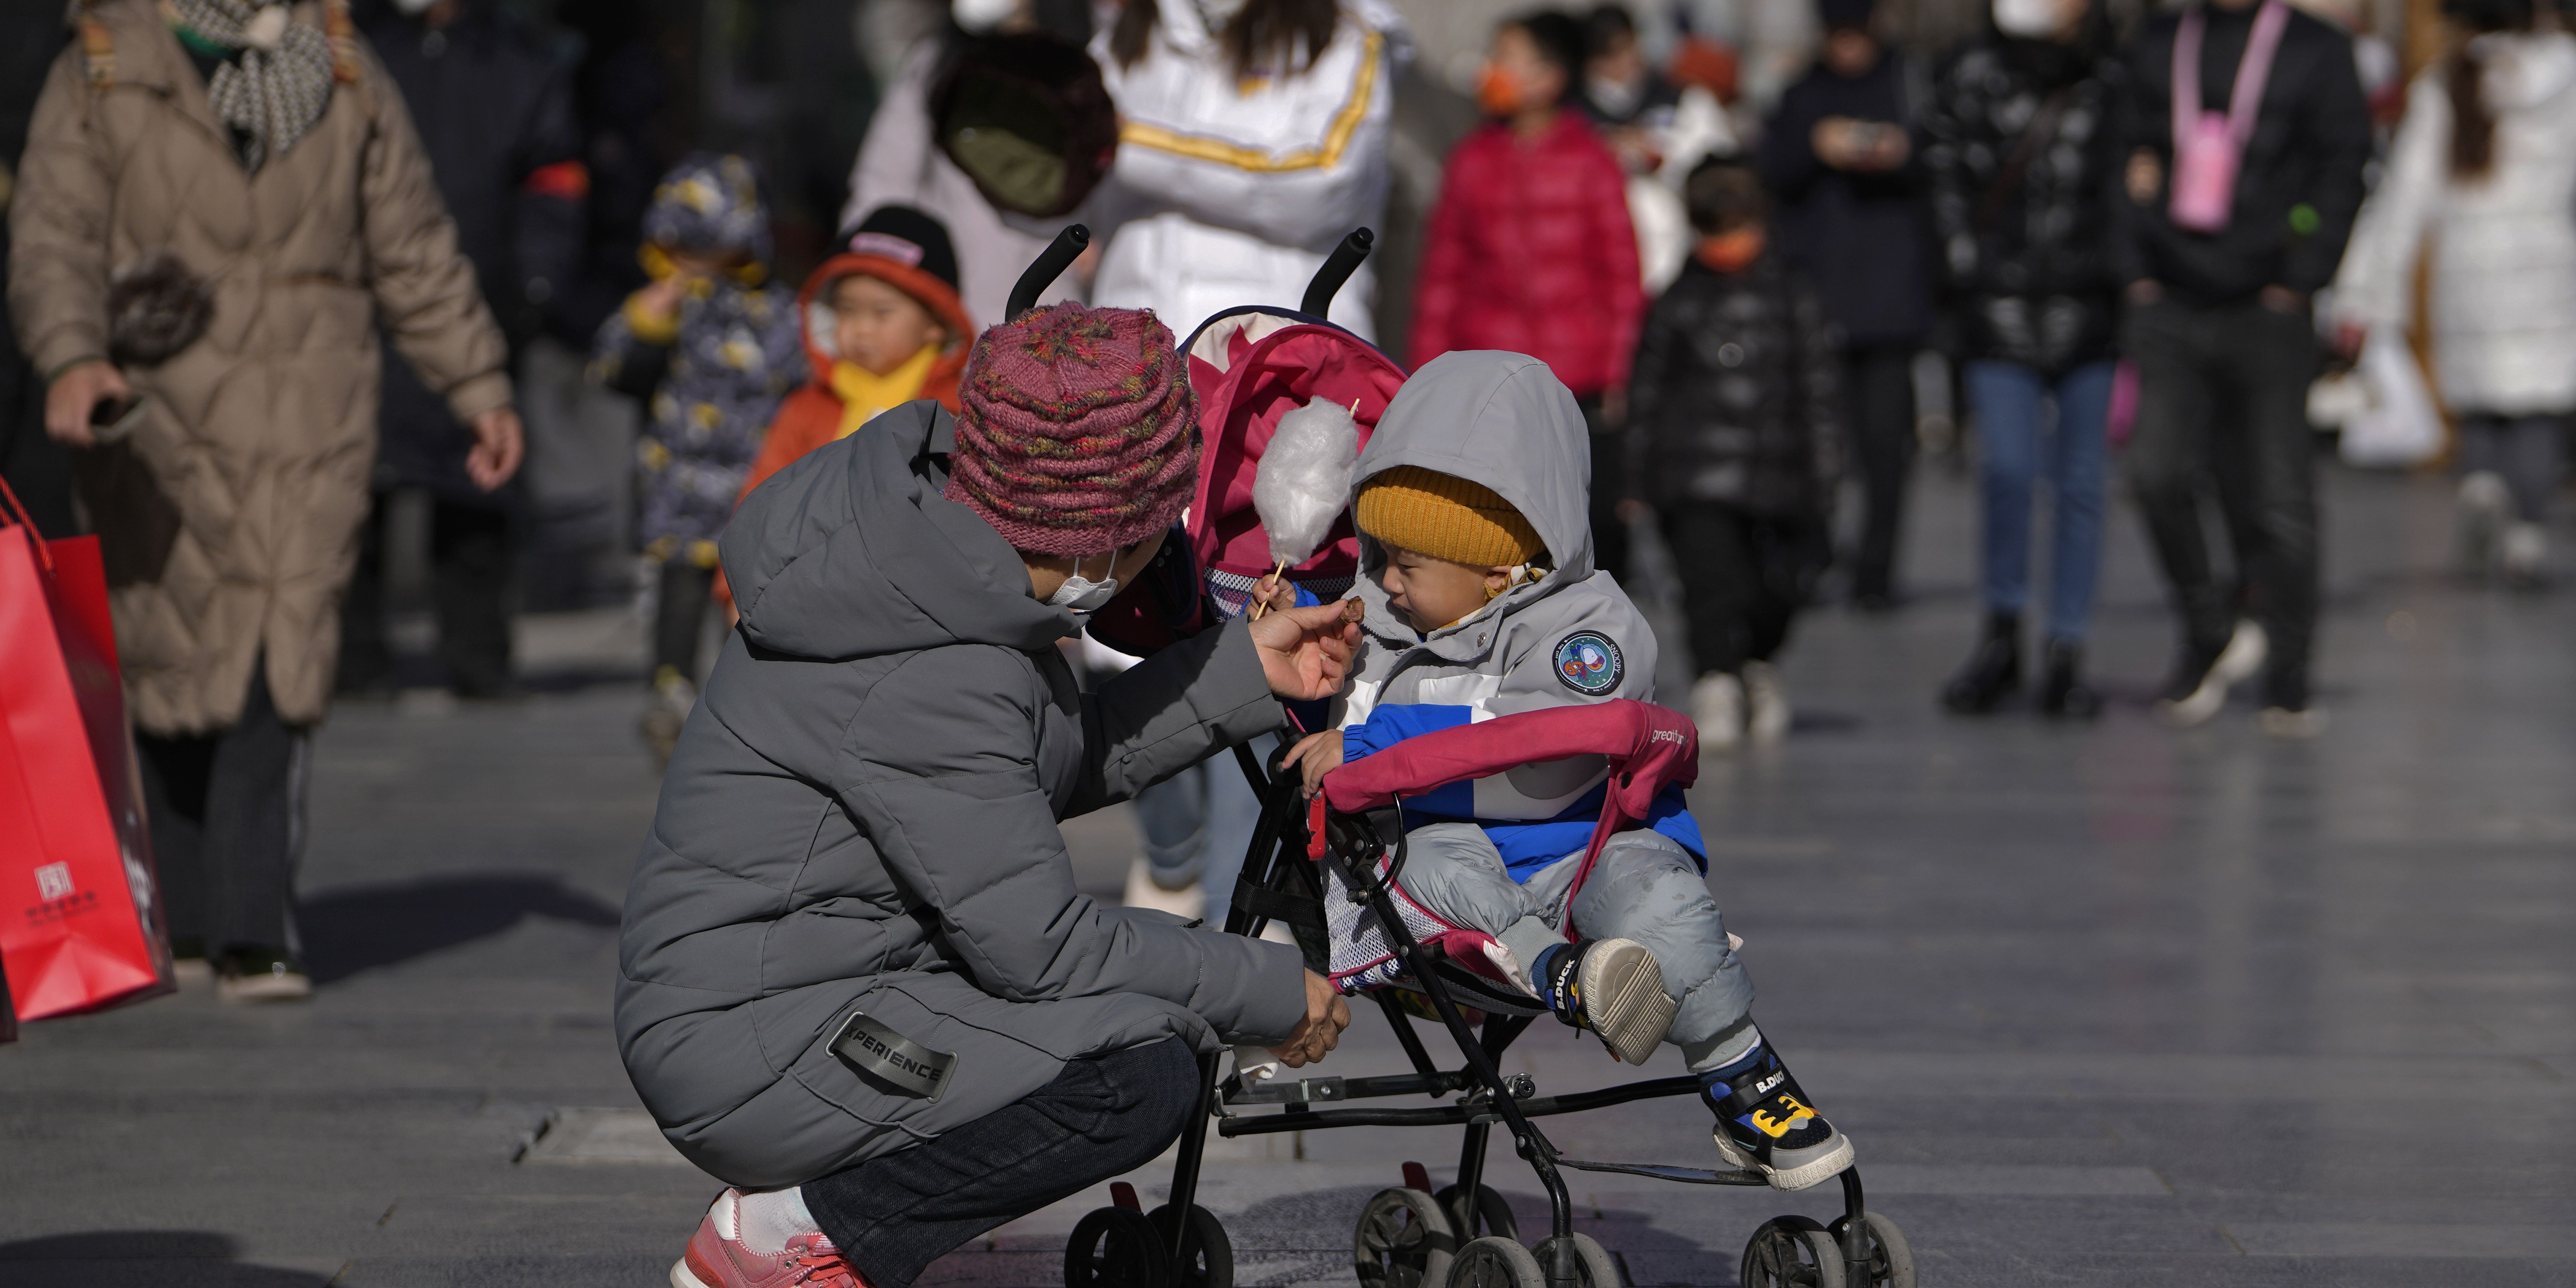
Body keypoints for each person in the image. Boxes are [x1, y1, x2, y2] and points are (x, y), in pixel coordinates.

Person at [616, 301, 1358, 1288]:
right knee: (1136, 1074)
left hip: (821, 981)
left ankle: (811, 1218)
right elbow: (1042, 946)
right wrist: (1265, 987)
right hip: (756, 1037)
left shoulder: (941, 559)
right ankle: (791, 1234)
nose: (1156, 565)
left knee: (1148, 1032)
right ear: (1096, 537)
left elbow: (1029, 766)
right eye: (1150, 540)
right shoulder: (937, 659)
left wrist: (1242, 670)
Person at [12, 0, 524, 1000]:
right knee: (168, 657)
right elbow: (52, 236)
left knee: (277, 653)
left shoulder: (337, 61)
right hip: (158, 412)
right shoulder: (105, 60)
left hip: (311, 409)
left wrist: (478, 384)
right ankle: (190, 913)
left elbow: (412, 242)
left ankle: (255, 924)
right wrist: (72, 357)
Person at [1277, 350, 1854, 1194]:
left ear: (1499, 567)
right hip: (1454, 861)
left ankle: (1746, 1077)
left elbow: (1548, 750)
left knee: (1663, 898)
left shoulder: (1591, 631)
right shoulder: (1382, 626)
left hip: (1587, 842)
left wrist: (1378, 746)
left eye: (1410, 565)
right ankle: (1570, 977)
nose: (1388, 581)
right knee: (1439, 867)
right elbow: (1331, 740)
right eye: (1382, 554)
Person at [1086, 0, 1406, 920]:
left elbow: (1312, 178)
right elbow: (1059, 180)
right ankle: (1176, 849)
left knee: (1262, 640)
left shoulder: (1345, 36)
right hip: (1138, 379)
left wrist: (1120, 143)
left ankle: (1245, 929)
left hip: (1285, 396)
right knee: (1126, 635)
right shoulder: (1132, 30)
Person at [2111, 0, 2368, 733]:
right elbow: (2121, 149)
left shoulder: (2313, 50)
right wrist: (2136, 267)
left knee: (2280, 493)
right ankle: (2208, 626)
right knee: (2155, 471)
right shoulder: (2162, 41)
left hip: (2268, 300)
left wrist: (2305, 269)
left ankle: (2289, 666)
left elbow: (2342, 162)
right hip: (2172, 296)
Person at [341, 0, 586, 699]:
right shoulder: (346, 48)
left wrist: (537, 286)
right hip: (359, 310)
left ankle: (477, 655)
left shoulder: (519, 62)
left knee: (479, 489)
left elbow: (554, 183)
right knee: (355, 489)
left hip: (481, 301)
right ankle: (354, 663)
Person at [1923, 0, 2125, 717]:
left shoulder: (2114, 72)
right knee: (2007, 470)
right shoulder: (1975, 68)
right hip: (1999, 297)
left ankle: (2067, 645)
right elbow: (1941, 158)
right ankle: (2002, 631)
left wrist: (2123, 266)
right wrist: (1963, 259)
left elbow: (2131, 171)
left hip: (2091, 297)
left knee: (2081, 482)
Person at [2331, 0, 2576, 589]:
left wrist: (2367, 293)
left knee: (2483, 397)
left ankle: (2483, 483)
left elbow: (2408, 192)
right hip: (2547, 260)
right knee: (2537, 407)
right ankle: (2527, 531)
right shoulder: (2569, 73)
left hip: (2469, 258)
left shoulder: (2450, 78)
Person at [1411, 10, 1644, 583]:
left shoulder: (1591, 160)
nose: (1493, 72)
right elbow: (1443, 277)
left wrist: (1620, 371)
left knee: (1587, 521)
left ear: (1550, 77)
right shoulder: (1471, 161)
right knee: (1499, 524)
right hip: (1489, 378)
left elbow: (1621, 276)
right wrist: (1426, 377)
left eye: (1507, 60)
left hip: (1577, 378)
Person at [588, 155, 805, 763]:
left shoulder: (777, 312)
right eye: (681, 250)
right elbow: (611, 372)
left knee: (749, 598)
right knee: (678, 594)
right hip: (678, 488)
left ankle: (748, 705)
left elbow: (802, 377)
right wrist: (645, 322)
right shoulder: (665, 307)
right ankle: (671, 692)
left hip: (751, 488)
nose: (695, 267)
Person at [1624, 158, 1842, 750]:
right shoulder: (1676, 302)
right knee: (1709, 585)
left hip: (1780, 474)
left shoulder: (1795, 297)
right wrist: (1636, 477)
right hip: (1694, 476)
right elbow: (1646, 393)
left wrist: (1826, 481)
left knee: (1781, 586)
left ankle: (1758, 664)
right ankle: (1715, 678)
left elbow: (1820, 393)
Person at [1088, 0, 1408, 340]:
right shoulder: (1127, 33)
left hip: (1274, 360)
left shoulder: (1344, 36)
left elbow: (1321, 181)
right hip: (1128, 351)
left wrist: (1129, 140)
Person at [1760, 0, 1935, 611]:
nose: (1848, 46)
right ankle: (1812, 554)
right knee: (1810, 446)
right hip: (1817, 297)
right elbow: (1771, 173)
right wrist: (1815, 145)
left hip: (1891, 298)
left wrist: (1899, 152)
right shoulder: (1802, 93)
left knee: (1886, 448)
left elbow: (1946, 164)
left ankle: (1877, 570)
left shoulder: (1912, 84)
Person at [842, 0, 1097, 330]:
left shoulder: (1081, 64)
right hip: (956, 293)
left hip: (1054, 284)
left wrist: (1097, 230)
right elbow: (883, 182)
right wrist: (867, 268)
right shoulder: (935, 64)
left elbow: (1105, 164)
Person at [732, 206, 977, 504]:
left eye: (881, 312)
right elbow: (761, 500)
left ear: (937, 324)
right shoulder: (806, 408)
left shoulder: (958, 412)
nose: (861, 329)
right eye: (847, 310)